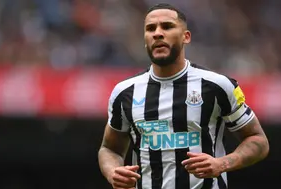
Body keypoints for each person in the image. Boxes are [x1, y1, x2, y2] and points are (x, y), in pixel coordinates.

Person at [98, 3, 269, 189]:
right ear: (145, 39)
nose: (157, 33)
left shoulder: (217, 86)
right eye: (150, 28)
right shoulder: (124, 93)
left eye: (167, 26)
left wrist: (222, 163)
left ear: (186, 37)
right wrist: (112, 171)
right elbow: (109, 148)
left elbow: (258, 140)